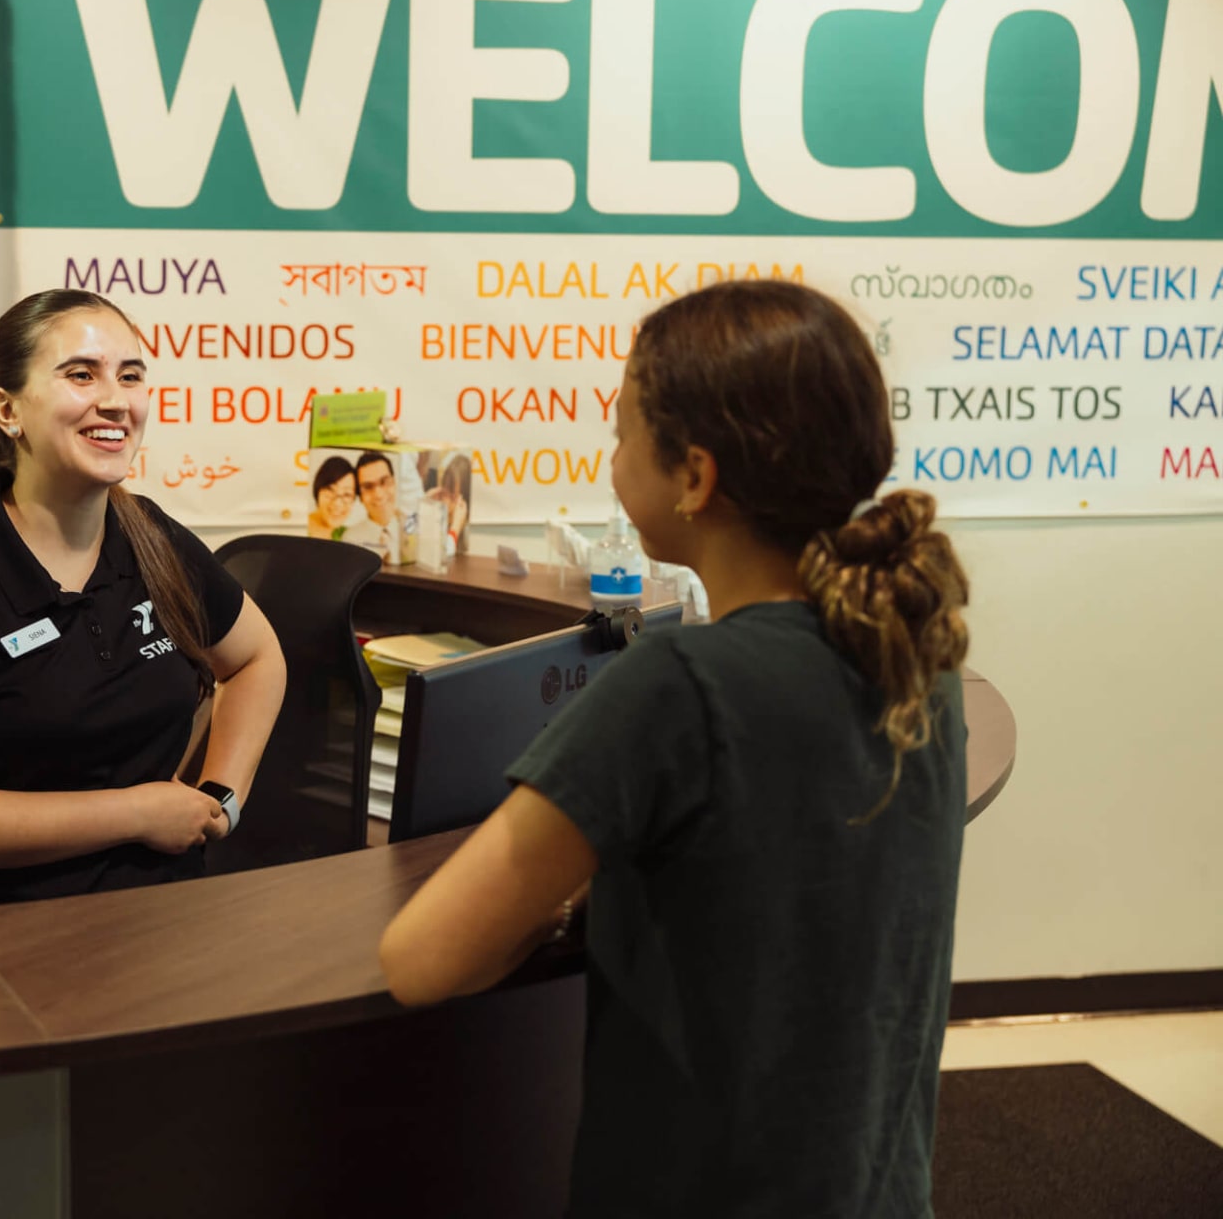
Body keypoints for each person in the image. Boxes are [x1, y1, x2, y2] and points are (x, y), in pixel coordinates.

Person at [379, 281, 970, 1216]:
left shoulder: (678, 686)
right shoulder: (916, 654)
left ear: (694, 477)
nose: (611, 461)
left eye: (621, 435)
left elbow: (422, 960)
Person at [0, 289, 285, 910]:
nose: (114, 399)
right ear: (7, 410)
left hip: (168, 918)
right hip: (6, 938)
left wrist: (222, 796)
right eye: (81, 375)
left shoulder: (154, 538)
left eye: (130, 375)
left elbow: (257, 660)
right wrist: (139, 812)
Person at [344, 450, 401, 563]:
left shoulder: (413, 530)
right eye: (368, 487)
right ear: (359, 496)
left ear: (394, 482)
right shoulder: (350, 540)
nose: (378, 494)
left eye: (384, 482)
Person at [307, 455, 357, 540]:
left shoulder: (349, 536)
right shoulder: (298, 527)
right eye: (330, 490)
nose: (337, 502)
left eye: (347, 494)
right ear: (317, 489)